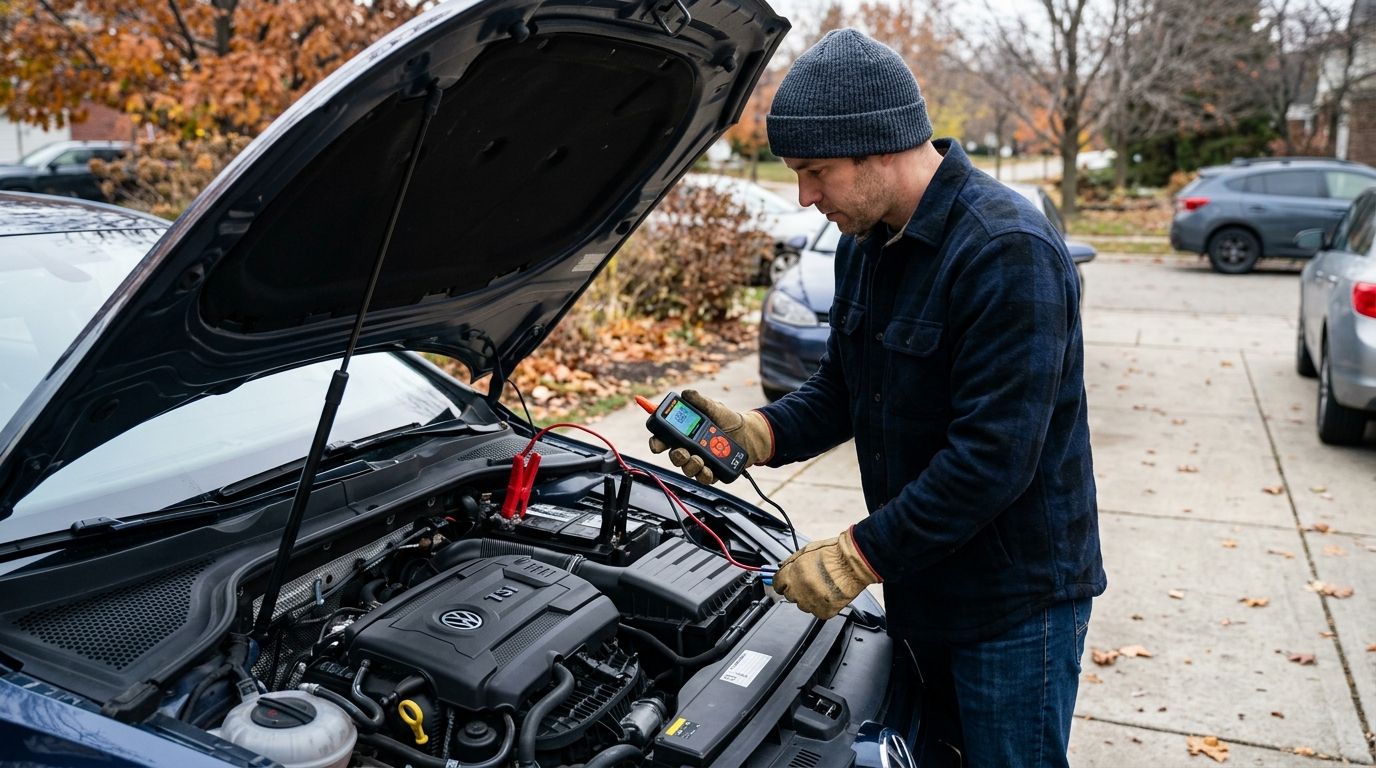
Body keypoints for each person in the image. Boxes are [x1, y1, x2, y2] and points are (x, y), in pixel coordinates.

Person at [649, 28, 1105, 767]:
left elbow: (991, 460)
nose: (804, 196)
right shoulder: (867, 244)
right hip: (922, 582)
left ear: (880, 148)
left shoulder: (1005, 250)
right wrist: (758, 432)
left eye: (816, 171)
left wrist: (857, 556)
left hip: (1011, 606)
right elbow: (843, 389)